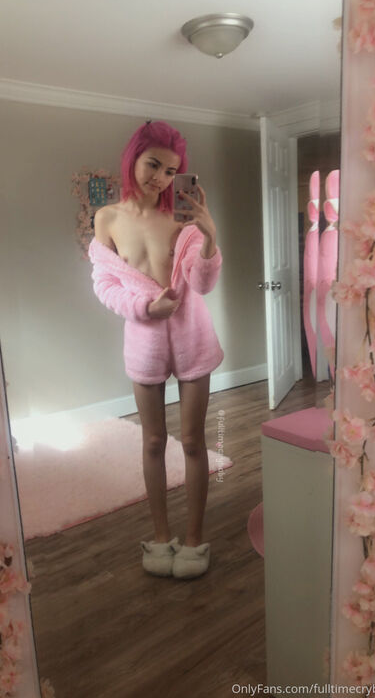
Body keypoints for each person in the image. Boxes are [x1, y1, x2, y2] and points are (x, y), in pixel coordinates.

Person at [88, 120, 224, 579]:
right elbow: (104, 284)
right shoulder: (107, 218)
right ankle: (161, 536)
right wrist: (145, 307)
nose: (161, 179)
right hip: (144, 339)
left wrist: (209, 237)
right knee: (152, 441)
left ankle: (194, 539)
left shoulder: (183, 219)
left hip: (193, 337)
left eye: (171, 171)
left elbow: (202, 284)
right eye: (153, 165)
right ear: (133, 157)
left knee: (193, 441)